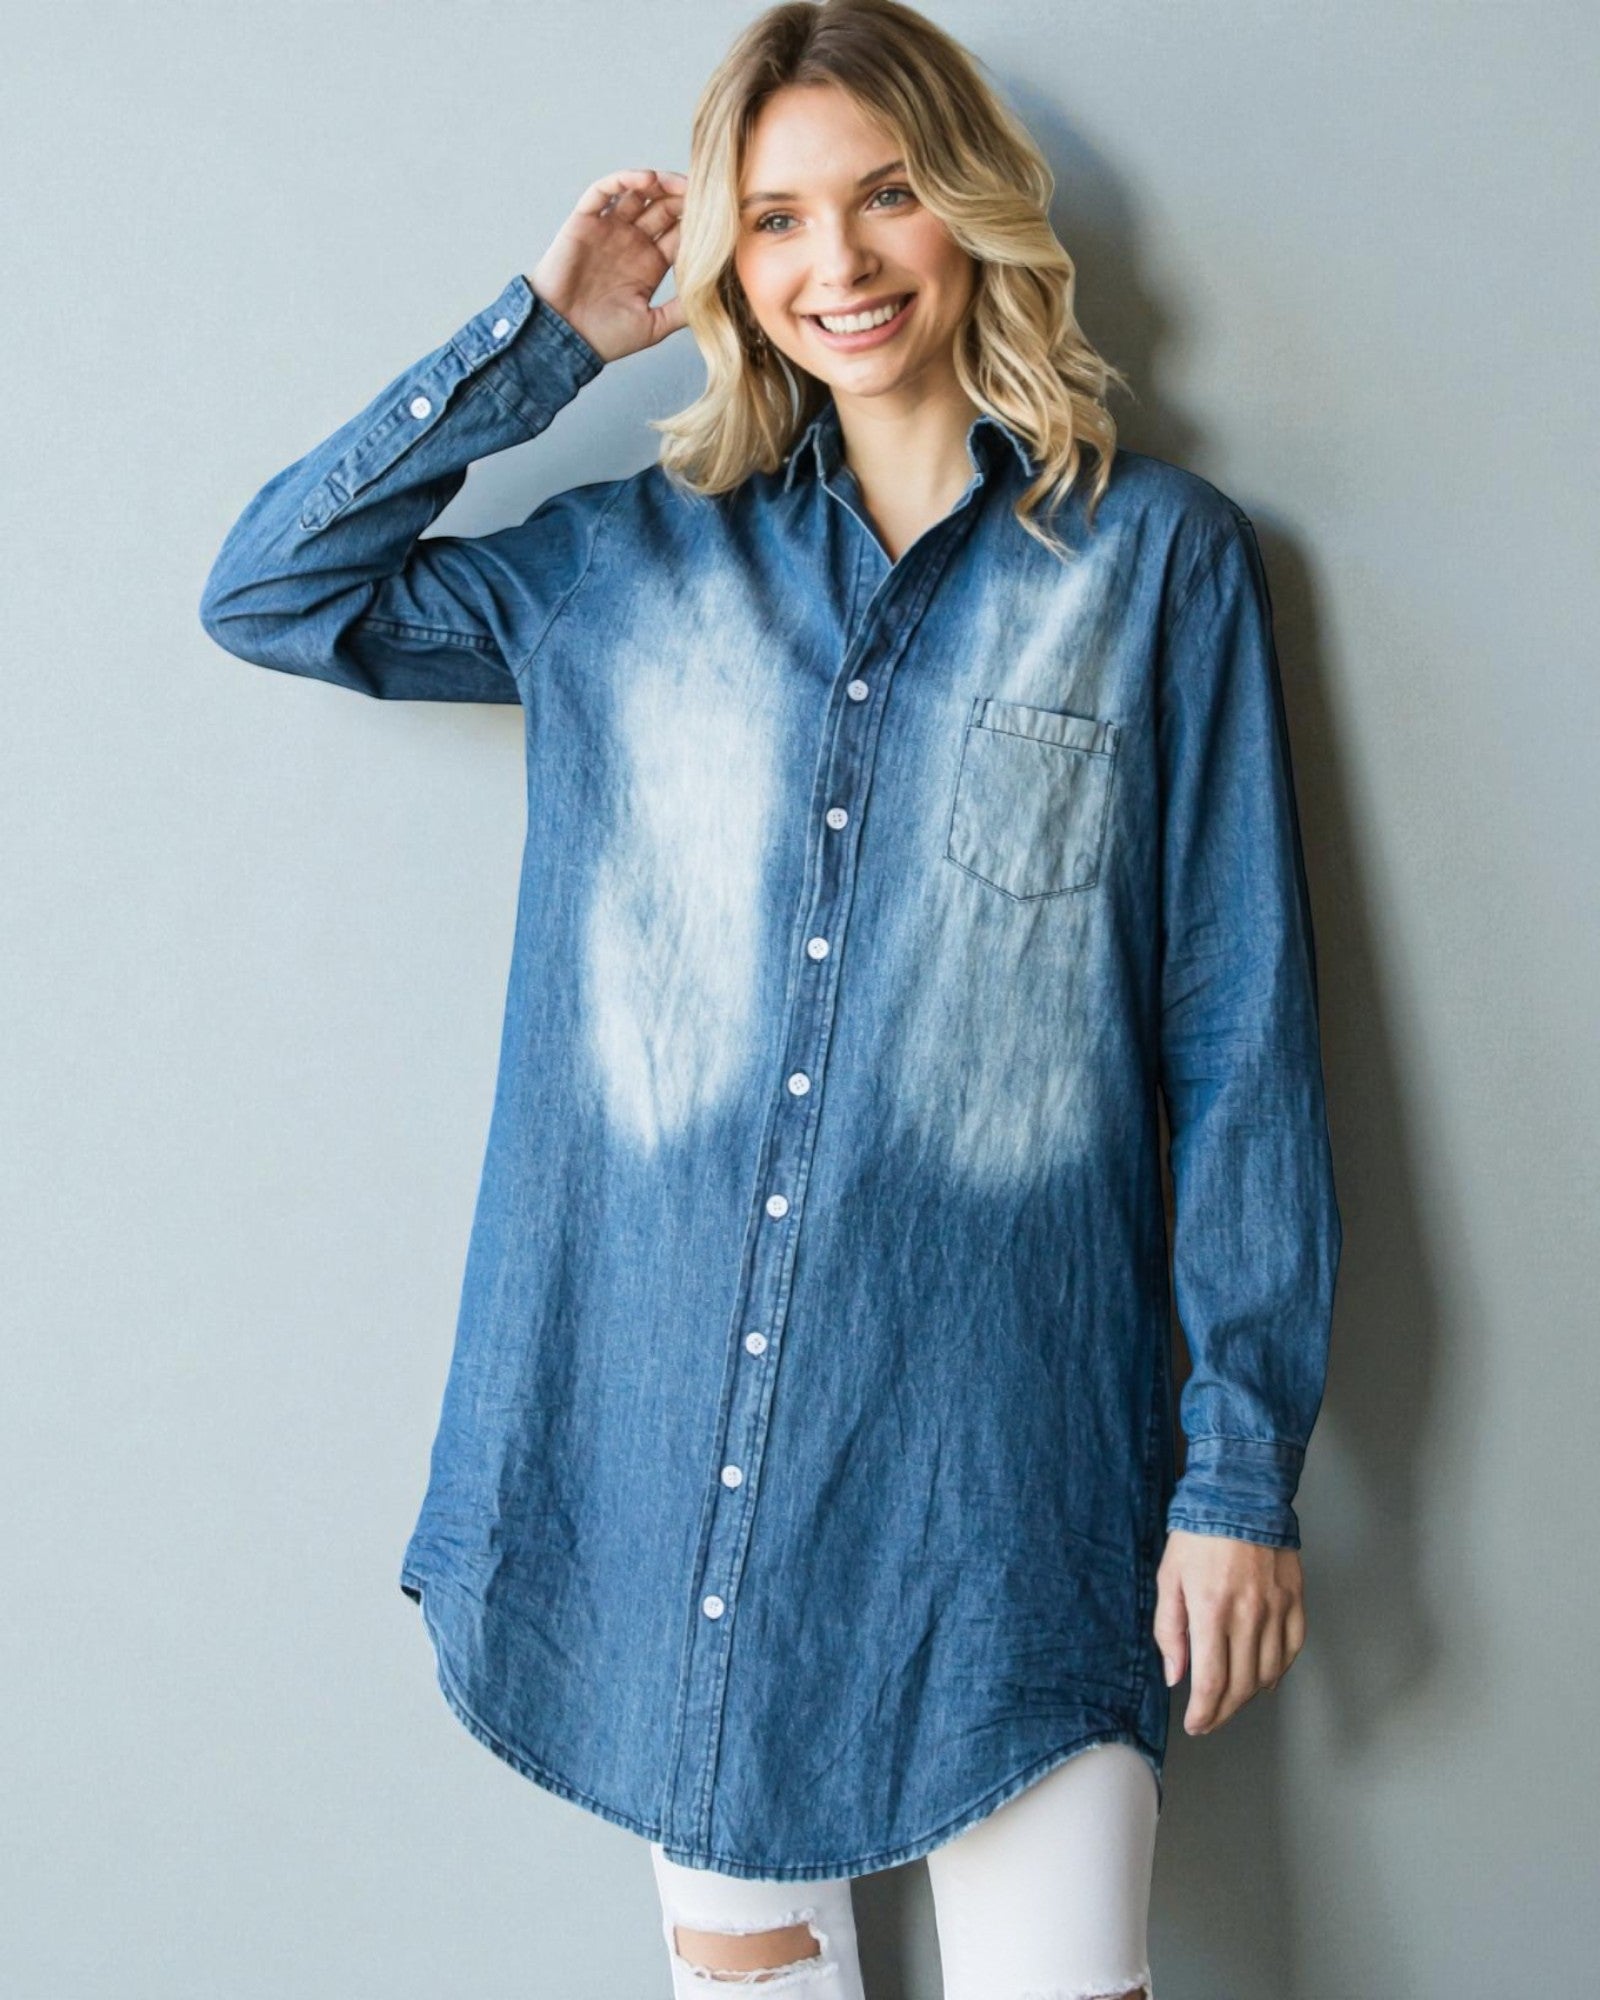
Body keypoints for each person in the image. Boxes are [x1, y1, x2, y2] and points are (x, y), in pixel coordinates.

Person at [197, 1, 1343, 1992]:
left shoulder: (1151, 565)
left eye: (886, 195)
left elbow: (1232, 1033)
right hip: (678, 1488)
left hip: (1000, 1490)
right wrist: (545, 337)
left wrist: (1238, 1467)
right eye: (780, 216)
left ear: (968, 208)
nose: (838, 263)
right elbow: (276, 591)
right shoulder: (620, 574)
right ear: (727, 254)